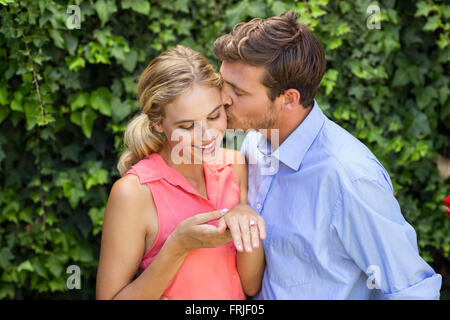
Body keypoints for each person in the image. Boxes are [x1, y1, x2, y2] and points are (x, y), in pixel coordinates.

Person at [213, 10, 442, 299]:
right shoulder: (254, 142)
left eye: (239, 92)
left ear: (288, 99)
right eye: (223, 84)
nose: (222, 99)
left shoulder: (350, 178)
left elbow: (413, 291)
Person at [96, 45, 265, 300]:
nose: (207, 136)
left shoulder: (235, 164)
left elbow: (250, 286)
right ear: (158, 123)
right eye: (187, 126)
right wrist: (178, 246)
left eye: (214, 116)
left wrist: (246, 215)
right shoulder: (134, 193)